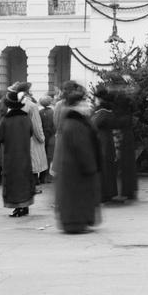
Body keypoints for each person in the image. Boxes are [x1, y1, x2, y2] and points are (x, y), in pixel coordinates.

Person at [55, 81, 102, 234]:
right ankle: (76, 223)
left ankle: (78, 222)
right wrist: (91, 167)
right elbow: (82, 148)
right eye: (84, 102)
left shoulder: (73, 121)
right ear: (77, 104)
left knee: (76, 197)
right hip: (76, 170)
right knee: (77, 198)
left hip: (72, 169)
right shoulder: (75, 123)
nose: (87, 105)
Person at [0, 89, 35, 218]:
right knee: (24, 179)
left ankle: (17, 208)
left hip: (11, 156)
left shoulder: (6, 120)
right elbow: (31, 133)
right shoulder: (26, 118)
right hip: (25, 155)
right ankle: (25, 206)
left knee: (13, 181)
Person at [92, 85, 119, 203]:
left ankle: (103, 195)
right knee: (108, 170)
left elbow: (92, 127)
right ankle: (109, 193)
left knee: (103, 170)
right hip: (108, 143)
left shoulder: (101, 114)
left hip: (102, 143)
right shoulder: (108, 112)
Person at [38, 95, 56, 183]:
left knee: (43, 155)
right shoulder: (53, 112)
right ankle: (47, 176)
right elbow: (54, 125)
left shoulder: (40, 112)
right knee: (49, 156)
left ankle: (42, 175)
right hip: (51, 136)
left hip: (43, 135)